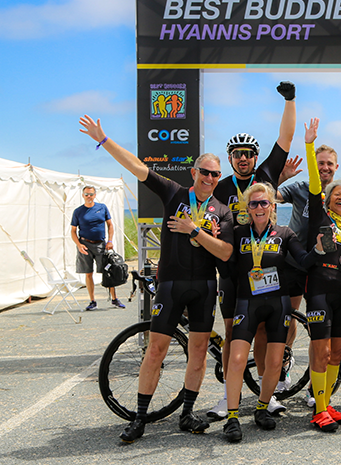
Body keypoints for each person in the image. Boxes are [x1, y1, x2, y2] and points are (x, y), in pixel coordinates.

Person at [78, 115, 234, 443]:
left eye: (215, 173)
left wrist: (196, 232)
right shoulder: (175, 193)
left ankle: (187, 412)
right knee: (156, 350)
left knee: (199, 350)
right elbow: (137, 167)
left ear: (220, 177)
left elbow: (225, 252)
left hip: (205, 286)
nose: (209, 177)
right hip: (172, 285)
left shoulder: (222, 209)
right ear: (194, 173)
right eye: (204, 172)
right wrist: (104, 140)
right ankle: (139, 418)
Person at [207, 81, 297, 420]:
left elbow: (285, 138)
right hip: (233, 272)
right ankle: (227, 396)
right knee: (232, 332)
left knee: (263, 330)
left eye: (248, 154)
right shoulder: (220, 186)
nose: (243, 159)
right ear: (230, 159)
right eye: (237, 155)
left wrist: (290, 100)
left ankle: (265, 392)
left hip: (267, 272)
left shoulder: (266, 174)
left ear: (255, 158)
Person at [222, 181, 319, 442]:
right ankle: (231, 417)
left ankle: (262, 408)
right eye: (253, 203)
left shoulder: (285, 234)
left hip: (278, 304)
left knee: (275, 362)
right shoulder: (239, 232)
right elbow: (226, 264)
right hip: (247, 302)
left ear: (272, 206)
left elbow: (303, 260)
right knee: (237, 358)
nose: (259, 207)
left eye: (264, 202)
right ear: (248, 208)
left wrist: (319, 249)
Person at [275, 141, 341, 408]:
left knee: (316, 330)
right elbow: (268, 195)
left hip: (321, 270)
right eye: (320, 163)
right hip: (295, 263)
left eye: (329, 164)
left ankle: (314, 385)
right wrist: (283, 175)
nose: (324, 167)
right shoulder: (301, 188)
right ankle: (282, 368)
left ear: (336, 167)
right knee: (287, 318)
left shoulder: (336, 199)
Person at [303, 117, 341, 432]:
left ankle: (326, 404)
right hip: (320, 291)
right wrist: (310, 145)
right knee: (321, 350)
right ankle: (319, 409)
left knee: (337, 351)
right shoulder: (319, 217)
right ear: (326, 199)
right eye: (337, 193)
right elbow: (315, 181)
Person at [70, 185, 124, 309]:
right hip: (85, 245)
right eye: (86, 194)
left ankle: (114, 299)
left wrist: (110, 241)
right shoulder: (78, 211)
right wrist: (79, 245)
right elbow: (73, 231)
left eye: (91, 194)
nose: (89, 197)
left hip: (101, 244)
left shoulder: (102, 207)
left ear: (95, 195)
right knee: (88, 274)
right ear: (83, 195)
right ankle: (92, 301)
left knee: (108, 271)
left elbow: (110, 225)